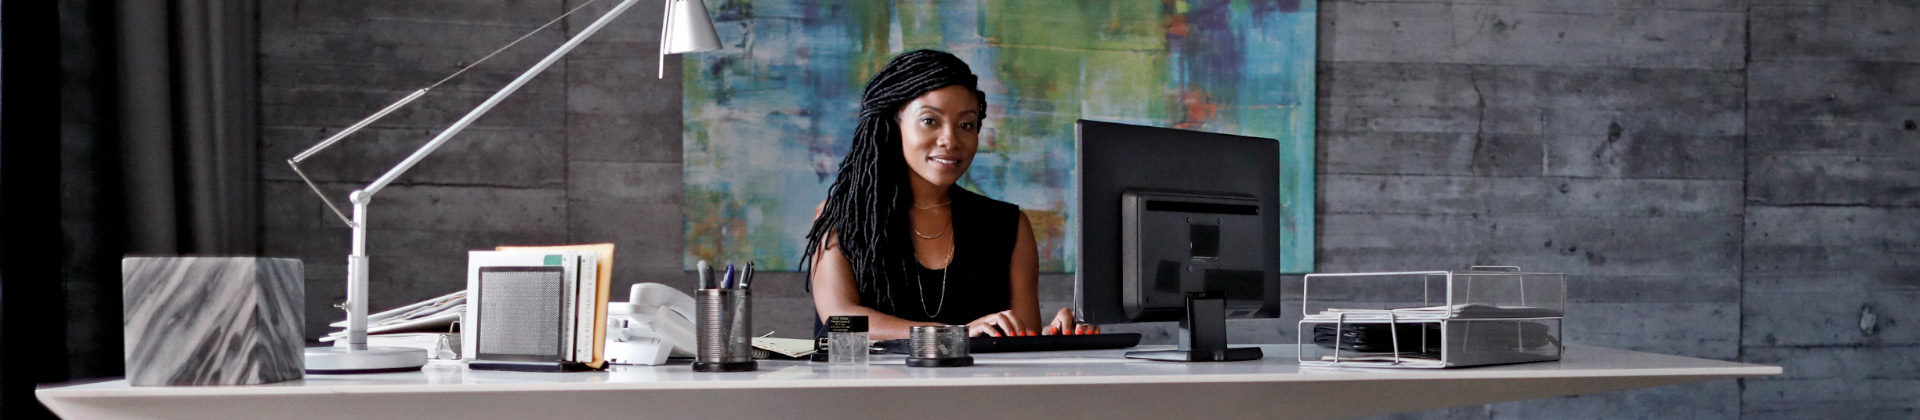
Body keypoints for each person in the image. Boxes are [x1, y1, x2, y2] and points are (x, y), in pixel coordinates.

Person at [803, 50, 1099, 340]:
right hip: (869, 388)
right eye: (930, 121)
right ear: (893, 127)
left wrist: (1053, 336)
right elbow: (839, 319)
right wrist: (955, 334)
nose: (951, 139)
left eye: (966, 125)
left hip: (975, 390)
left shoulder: (1007, 226)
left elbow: (1019, 338)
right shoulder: (845, 216)